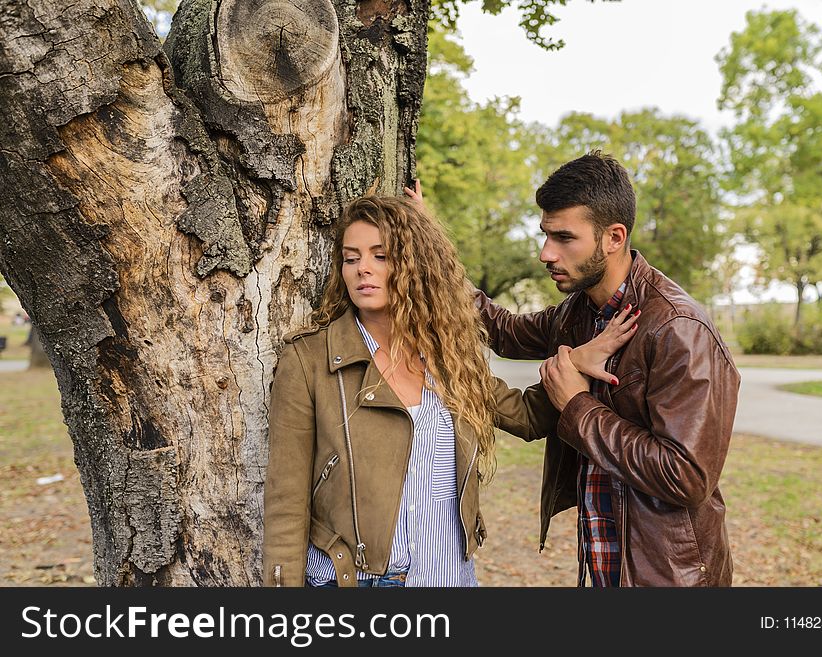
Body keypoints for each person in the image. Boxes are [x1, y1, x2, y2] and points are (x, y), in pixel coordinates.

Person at [262, 195, 635, 587]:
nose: (362, 270)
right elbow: (287, 500)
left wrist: (574, 363)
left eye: (381, 256)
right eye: (351, 258)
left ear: (414, 266)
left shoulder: (448, 358)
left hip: (449, 578)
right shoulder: (309, 359)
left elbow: (528, 416)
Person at [469, 152, 741, 587]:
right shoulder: (578, 314)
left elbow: (687, 476)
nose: (546, 253)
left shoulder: (678, 327)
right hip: (602, 566)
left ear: (614, 237)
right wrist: (432, 250)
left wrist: (576, 405)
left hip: (669, 578)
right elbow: (501, 330)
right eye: (545, 235)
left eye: (563, 238)